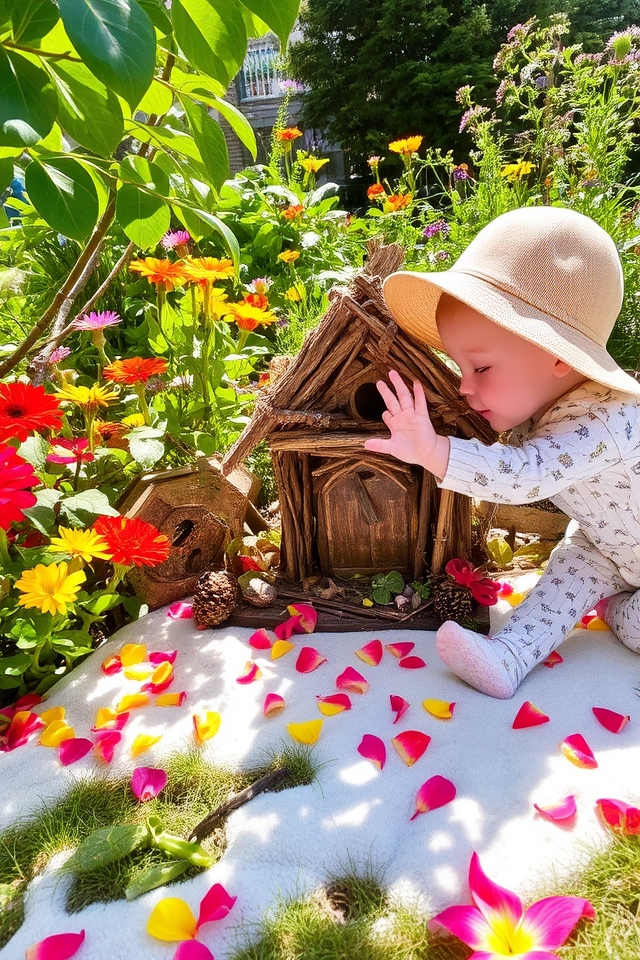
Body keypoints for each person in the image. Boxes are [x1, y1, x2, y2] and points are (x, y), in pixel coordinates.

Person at [364, 205, 640, 699]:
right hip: (605, 545)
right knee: (570, 567)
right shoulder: (546, 405)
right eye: (458, 366)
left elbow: (523, 474)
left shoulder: (606, 420)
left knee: (635, 625)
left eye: (481, 369)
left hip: (623, 551)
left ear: (558, 354)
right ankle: (508, 655)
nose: (465, 387)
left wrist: (433, 449)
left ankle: (621, 608)